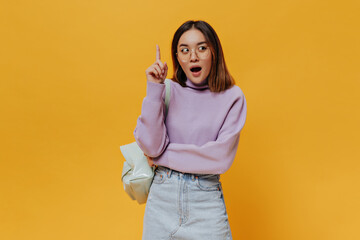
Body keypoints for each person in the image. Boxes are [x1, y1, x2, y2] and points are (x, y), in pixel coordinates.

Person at [134, 20, 247, 240]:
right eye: (184, 50)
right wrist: (154, 88)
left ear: (214, 52)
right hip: (162, 200)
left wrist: (162, 156)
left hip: (205, 201)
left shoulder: (233, 97)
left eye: (201, 48)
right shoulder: (166, 90)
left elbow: (219, 159)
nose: (193, 56)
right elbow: (150, 145)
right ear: (177, 57)